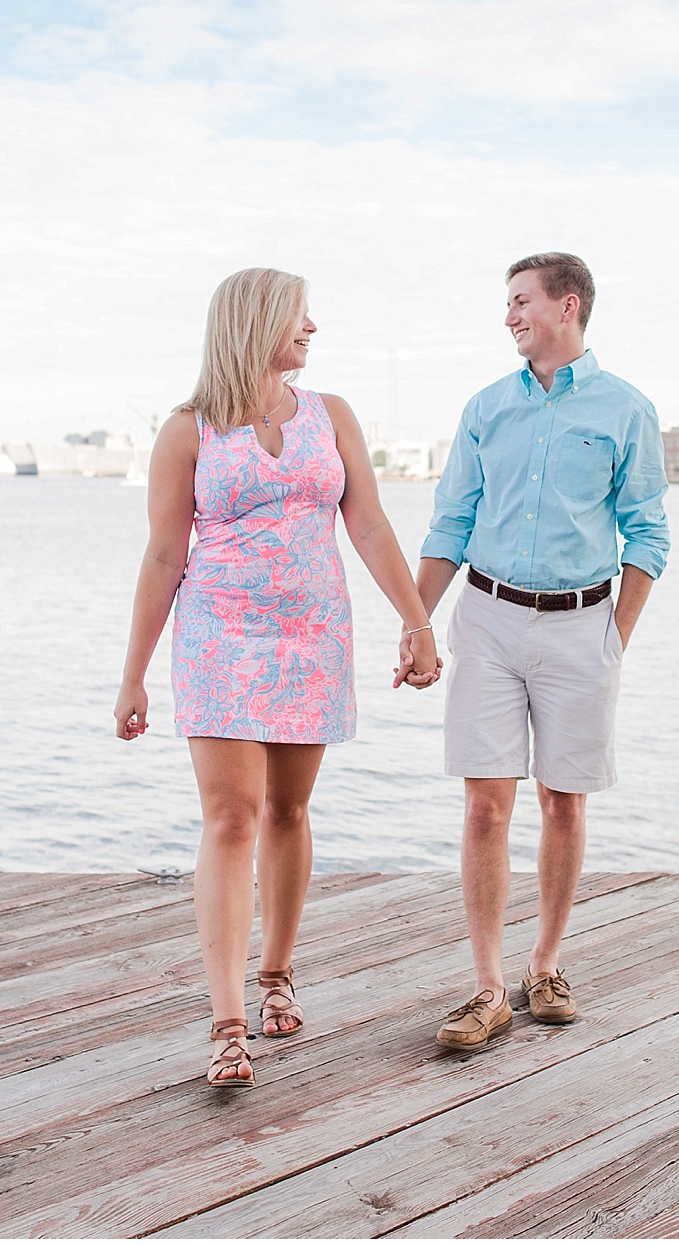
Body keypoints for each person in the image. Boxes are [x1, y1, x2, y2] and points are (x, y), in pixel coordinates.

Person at [116, 267, 441, 1089]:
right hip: (218, 638)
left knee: (290, 809)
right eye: (300, 316)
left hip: (311, 637)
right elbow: (163, 554)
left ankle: (277, 973)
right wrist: (135, 675)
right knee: (231, 817)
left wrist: (416, 618)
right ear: (257, 321)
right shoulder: (187, 429)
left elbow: (365, 520)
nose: (312, 329)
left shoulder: (331, 417)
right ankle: (227, 1021)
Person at [409, 251, 669, 1049]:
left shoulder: (627, 409)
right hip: (486, 620)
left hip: (582, 625)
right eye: (507, 303)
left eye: (520, 301)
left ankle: (545, 964)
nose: (510, 315)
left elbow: (648, 533)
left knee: (564, 799)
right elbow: (450, 522)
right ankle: (487, 987)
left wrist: (611, 639)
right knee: (486, 803)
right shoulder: (486, 408)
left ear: (567, 305)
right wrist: (417, 622)